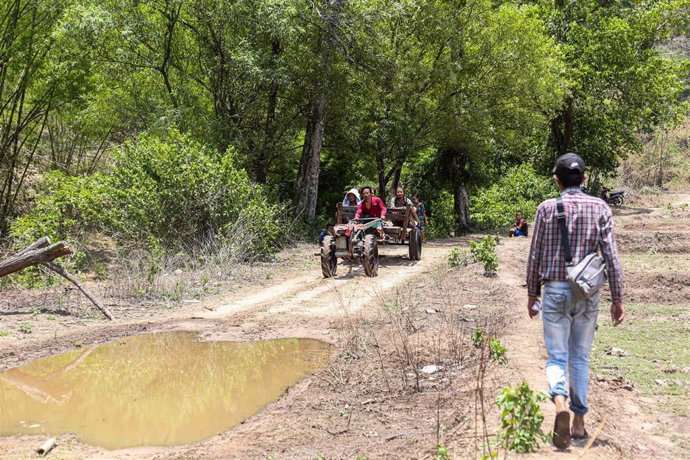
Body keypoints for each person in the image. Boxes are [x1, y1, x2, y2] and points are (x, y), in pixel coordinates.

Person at [526, 153, 624, 449]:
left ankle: (559, 403)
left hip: (554, 290)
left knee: (557, 356)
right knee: (580, 356)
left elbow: (535, 254)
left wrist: (532, 293)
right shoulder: (600, 207)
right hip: (588, 293)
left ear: (556, 179)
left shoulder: (546, 209)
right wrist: (617, 298)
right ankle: (579, 425)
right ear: (584, 178)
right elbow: (611, 256)